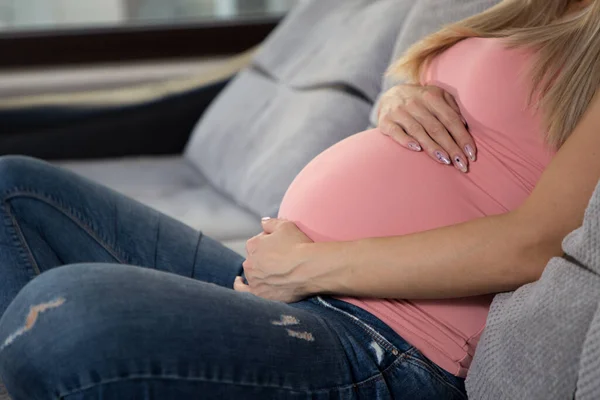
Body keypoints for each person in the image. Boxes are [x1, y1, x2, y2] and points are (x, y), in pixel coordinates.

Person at [0, 0, 599, 398]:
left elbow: (540, 242)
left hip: (392, 340)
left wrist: (302, 267)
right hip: (299, 284)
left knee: (65, 322)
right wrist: (403, 96)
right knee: (14, 192)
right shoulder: (540, 7)